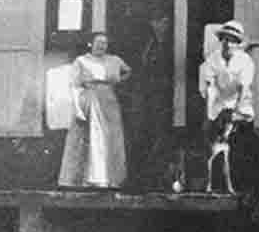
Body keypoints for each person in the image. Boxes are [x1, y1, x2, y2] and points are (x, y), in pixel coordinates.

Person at [59, 32, 132, 188]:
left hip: (110, 101)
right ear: (90, 44)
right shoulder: (81, 61)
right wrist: (78, 108)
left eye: (104, 43)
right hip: (90, 100)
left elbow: (128, 71)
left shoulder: (114, 60)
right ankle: (90, 178)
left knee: (111, 137)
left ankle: (110, 179)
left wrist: (117, 82)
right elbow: (74, 86)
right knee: (93, 138)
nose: (101, 46)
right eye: (98, 42)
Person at [199, 20, 256, 188]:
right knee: (213, 145)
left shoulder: (245, 61)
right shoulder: (212, 60)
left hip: (240, 104)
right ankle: (213, 185)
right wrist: (208, 115)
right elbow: (210, 89)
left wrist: (235, 113)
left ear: (237, 44)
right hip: (219, 105)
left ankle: (241, 185)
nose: (227, 44)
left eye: (232, 40)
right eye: (224, 39)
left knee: (239, 144)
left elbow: (243, 89)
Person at [130, 12, 174, 188]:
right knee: (143, 134)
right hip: (146, 96)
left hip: (162, 98)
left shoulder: (170, 44)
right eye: (155, 22)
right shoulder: (149, 44)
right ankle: (142, 178)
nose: (159, 25)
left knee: (160, 136)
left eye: (163, 22)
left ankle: (159, 179)